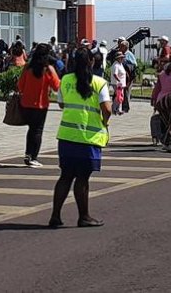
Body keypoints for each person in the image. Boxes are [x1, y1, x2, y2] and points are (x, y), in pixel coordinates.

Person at [49, 48, 111, 228]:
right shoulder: (99, 83)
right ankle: (84, 216)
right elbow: (107, 109)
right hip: (88, 138)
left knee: (65, 176)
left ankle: (55, 216)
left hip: (67, 136)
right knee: (82, 178)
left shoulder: (66, 80)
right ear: (92, 62)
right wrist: (104, 123)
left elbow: (61, 103)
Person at [17, 44, 62, 167]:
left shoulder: (27, 67)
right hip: (41, 105)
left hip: (26, 103)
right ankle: (33, 157)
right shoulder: (48, 69)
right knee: (38, 131)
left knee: (31, 129)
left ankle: (28, 154)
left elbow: (20, 85)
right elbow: (57, 86)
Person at [119, 40, 138, 114]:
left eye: (121, 46)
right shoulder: (121, 54)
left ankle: (126, 107)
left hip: (128, 77)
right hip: (122, 76)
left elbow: (134, 64)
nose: (120, 47)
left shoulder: (129, 54)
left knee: (127, 92)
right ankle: (123, 106)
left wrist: (126, 62)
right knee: (122, 92)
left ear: (126, 47)